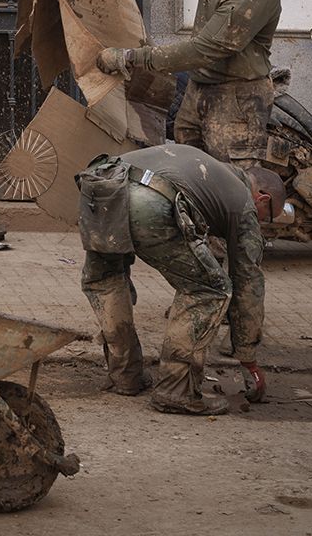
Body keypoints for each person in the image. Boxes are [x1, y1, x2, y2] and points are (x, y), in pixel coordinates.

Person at [75, 143, 282, 415]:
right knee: (209, 290)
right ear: (262, 198)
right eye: (267, 217)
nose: (260, 223)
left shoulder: (210, 170)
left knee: (107, 279)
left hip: (100, 184)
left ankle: (125, 376)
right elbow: (248, 282)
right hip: (147, 197)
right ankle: (175, 390)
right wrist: (248, 358)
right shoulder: (243, 202)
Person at [92, 0, 281, 170]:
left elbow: (200, 50)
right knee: (190, 173)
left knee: (234, 184)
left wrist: (129, 58)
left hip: (236, 99)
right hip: (199, 88)